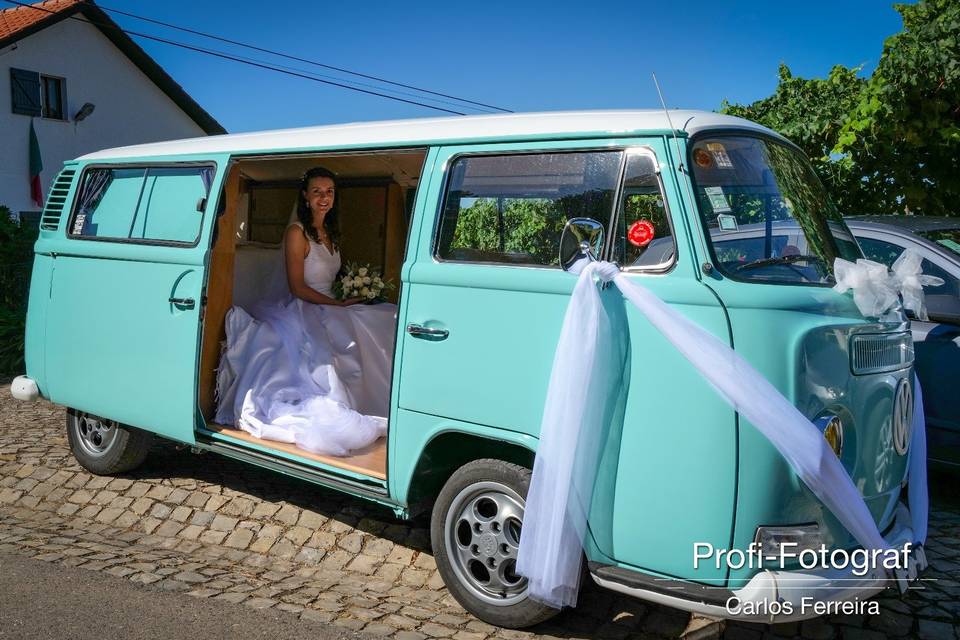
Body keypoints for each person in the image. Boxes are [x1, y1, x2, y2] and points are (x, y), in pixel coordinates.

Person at [214, 167, 397, 457]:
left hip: (330, 303)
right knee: (344, 335)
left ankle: (388, 400)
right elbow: (298, 286)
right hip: (307, 305)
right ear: (306, 197)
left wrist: (349, 294)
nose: (324, 198)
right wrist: (336, 305)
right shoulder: (297, 233)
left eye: (329, 192)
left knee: (386, 314)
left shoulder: (331, 234)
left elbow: (331, 280)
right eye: (317, 192)